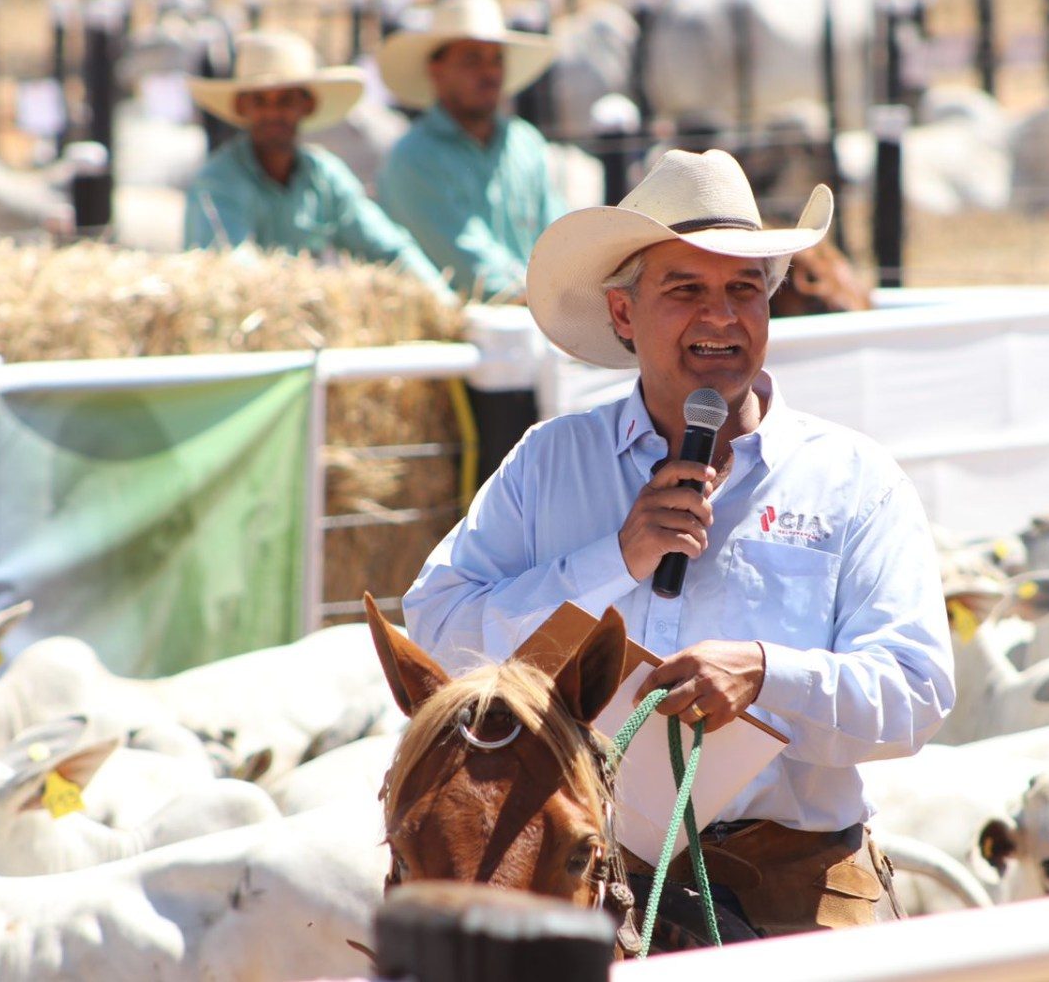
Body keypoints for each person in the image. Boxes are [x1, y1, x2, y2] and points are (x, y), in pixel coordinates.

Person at [403, 148, 954, 936]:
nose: (721, 317)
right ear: (624, 315)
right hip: (588, 867)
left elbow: (916, 694)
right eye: (685, 289)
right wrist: (611, 562)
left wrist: (768, 674)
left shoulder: (853, 479)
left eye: (742, 290)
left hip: (799, 874)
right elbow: (437, 628)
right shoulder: (550, 462)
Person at [184, 30, 451, 298]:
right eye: (260, 101)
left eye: (286, 100)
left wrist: (441, 300)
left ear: (307, 106)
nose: (273, 113)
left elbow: (387, 248)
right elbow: (231, 271)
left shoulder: (324, 175)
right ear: (243, 107)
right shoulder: (218, 182)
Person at [376, 0, 565, 300]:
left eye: (496, 59)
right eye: (472, 59)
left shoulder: (525, 141)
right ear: (436, 71)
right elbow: (468, 267)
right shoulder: (412, 158)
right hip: (456, 336)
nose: (489, 72)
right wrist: (550, 296)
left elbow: (561, 235)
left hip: (539, 315)